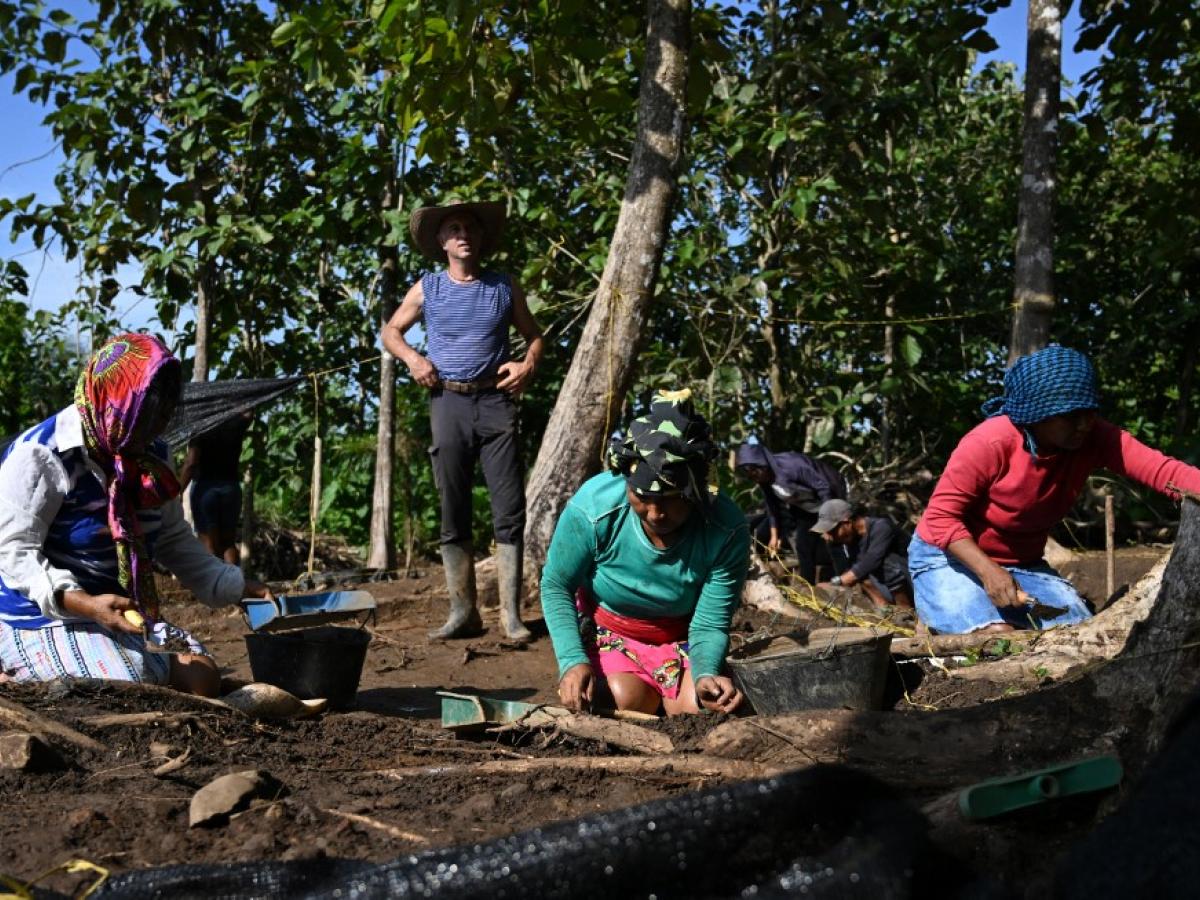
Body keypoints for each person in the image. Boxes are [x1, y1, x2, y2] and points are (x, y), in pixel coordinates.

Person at [0, 333, 273, 696]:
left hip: (114, 610)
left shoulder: (150, 456)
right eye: (145, 416)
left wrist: (235, 586)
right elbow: (13, 553)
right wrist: (84, 604)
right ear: (114, 402)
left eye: (162, 415)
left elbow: (173, 539)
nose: (157, 428)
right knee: (128, 685)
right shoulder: (42, 455)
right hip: (41, 616)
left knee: (203, 678)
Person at [910, 345, 1200, 635]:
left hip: (1025, 565)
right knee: (997, 636)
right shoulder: (989, 443)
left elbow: (1166, 472)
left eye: (1089, 412)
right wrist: (989, 573)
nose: (1084, 424)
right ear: (1037, 413)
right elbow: (940, 519)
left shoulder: (1095, 437)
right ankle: (938, 612)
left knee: (1083, 635)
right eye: (1072, 415)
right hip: (947, 558)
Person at [382, 199, 544, 642]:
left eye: (470, 228)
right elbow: (390, 331)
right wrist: (414, 359)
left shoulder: (503, 286)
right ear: (441, 241)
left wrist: (527, 365)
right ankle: (462, 611)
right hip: (447, 401)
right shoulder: (427, 287)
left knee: (508, 506)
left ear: (480, 238)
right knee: (453, 505)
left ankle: (511, 616)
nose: (463, 235)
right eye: (453, 229)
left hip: (495, 402)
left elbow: (534, 337)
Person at [541, 390, 750, 717]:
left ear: (694, 489)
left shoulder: (725, 528)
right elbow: (556, 585)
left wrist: (707, 671)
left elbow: (710, 623)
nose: (655, 513)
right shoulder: (594, 508)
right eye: (641, 497)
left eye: (670, 498)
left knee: (700, 707)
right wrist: (572, 661)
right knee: (625, 700)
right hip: (611, 631)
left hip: (682, 635)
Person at [734, 441, 847, 584]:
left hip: (830, 495)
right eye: (751, 477)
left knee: (834, 539)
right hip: (805, 505)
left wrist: (827, 522)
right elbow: (772, 507)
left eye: (755, 473)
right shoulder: (764, 481)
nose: (755, 479)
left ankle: (845, 581)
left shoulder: (792, 466)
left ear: (762, 466)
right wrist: (774, 536)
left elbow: (823, 488)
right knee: (803, 545)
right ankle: (807, 586)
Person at [179, 410, 253, 564]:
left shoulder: (200, 428)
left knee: (208, 545)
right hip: (230, 489)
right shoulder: (236, 425)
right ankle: (234, 584)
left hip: (205, 491)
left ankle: (215, 586)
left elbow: (191, 463)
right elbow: (249, 411)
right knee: (228, 543)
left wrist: (176, 492)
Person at [811, 499, 913, 610]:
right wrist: (833, 545)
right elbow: (853, 571)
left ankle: (905, 609)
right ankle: (884, 607)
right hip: (892, 586)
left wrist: (837, 582)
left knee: (879, 562)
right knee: (857, 569)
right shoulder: (853, 540)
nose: (830, 536)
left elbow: (872, 560)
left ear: (847, 523)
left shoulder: (881, 527)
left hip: (915, 581)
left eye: (832, 531)